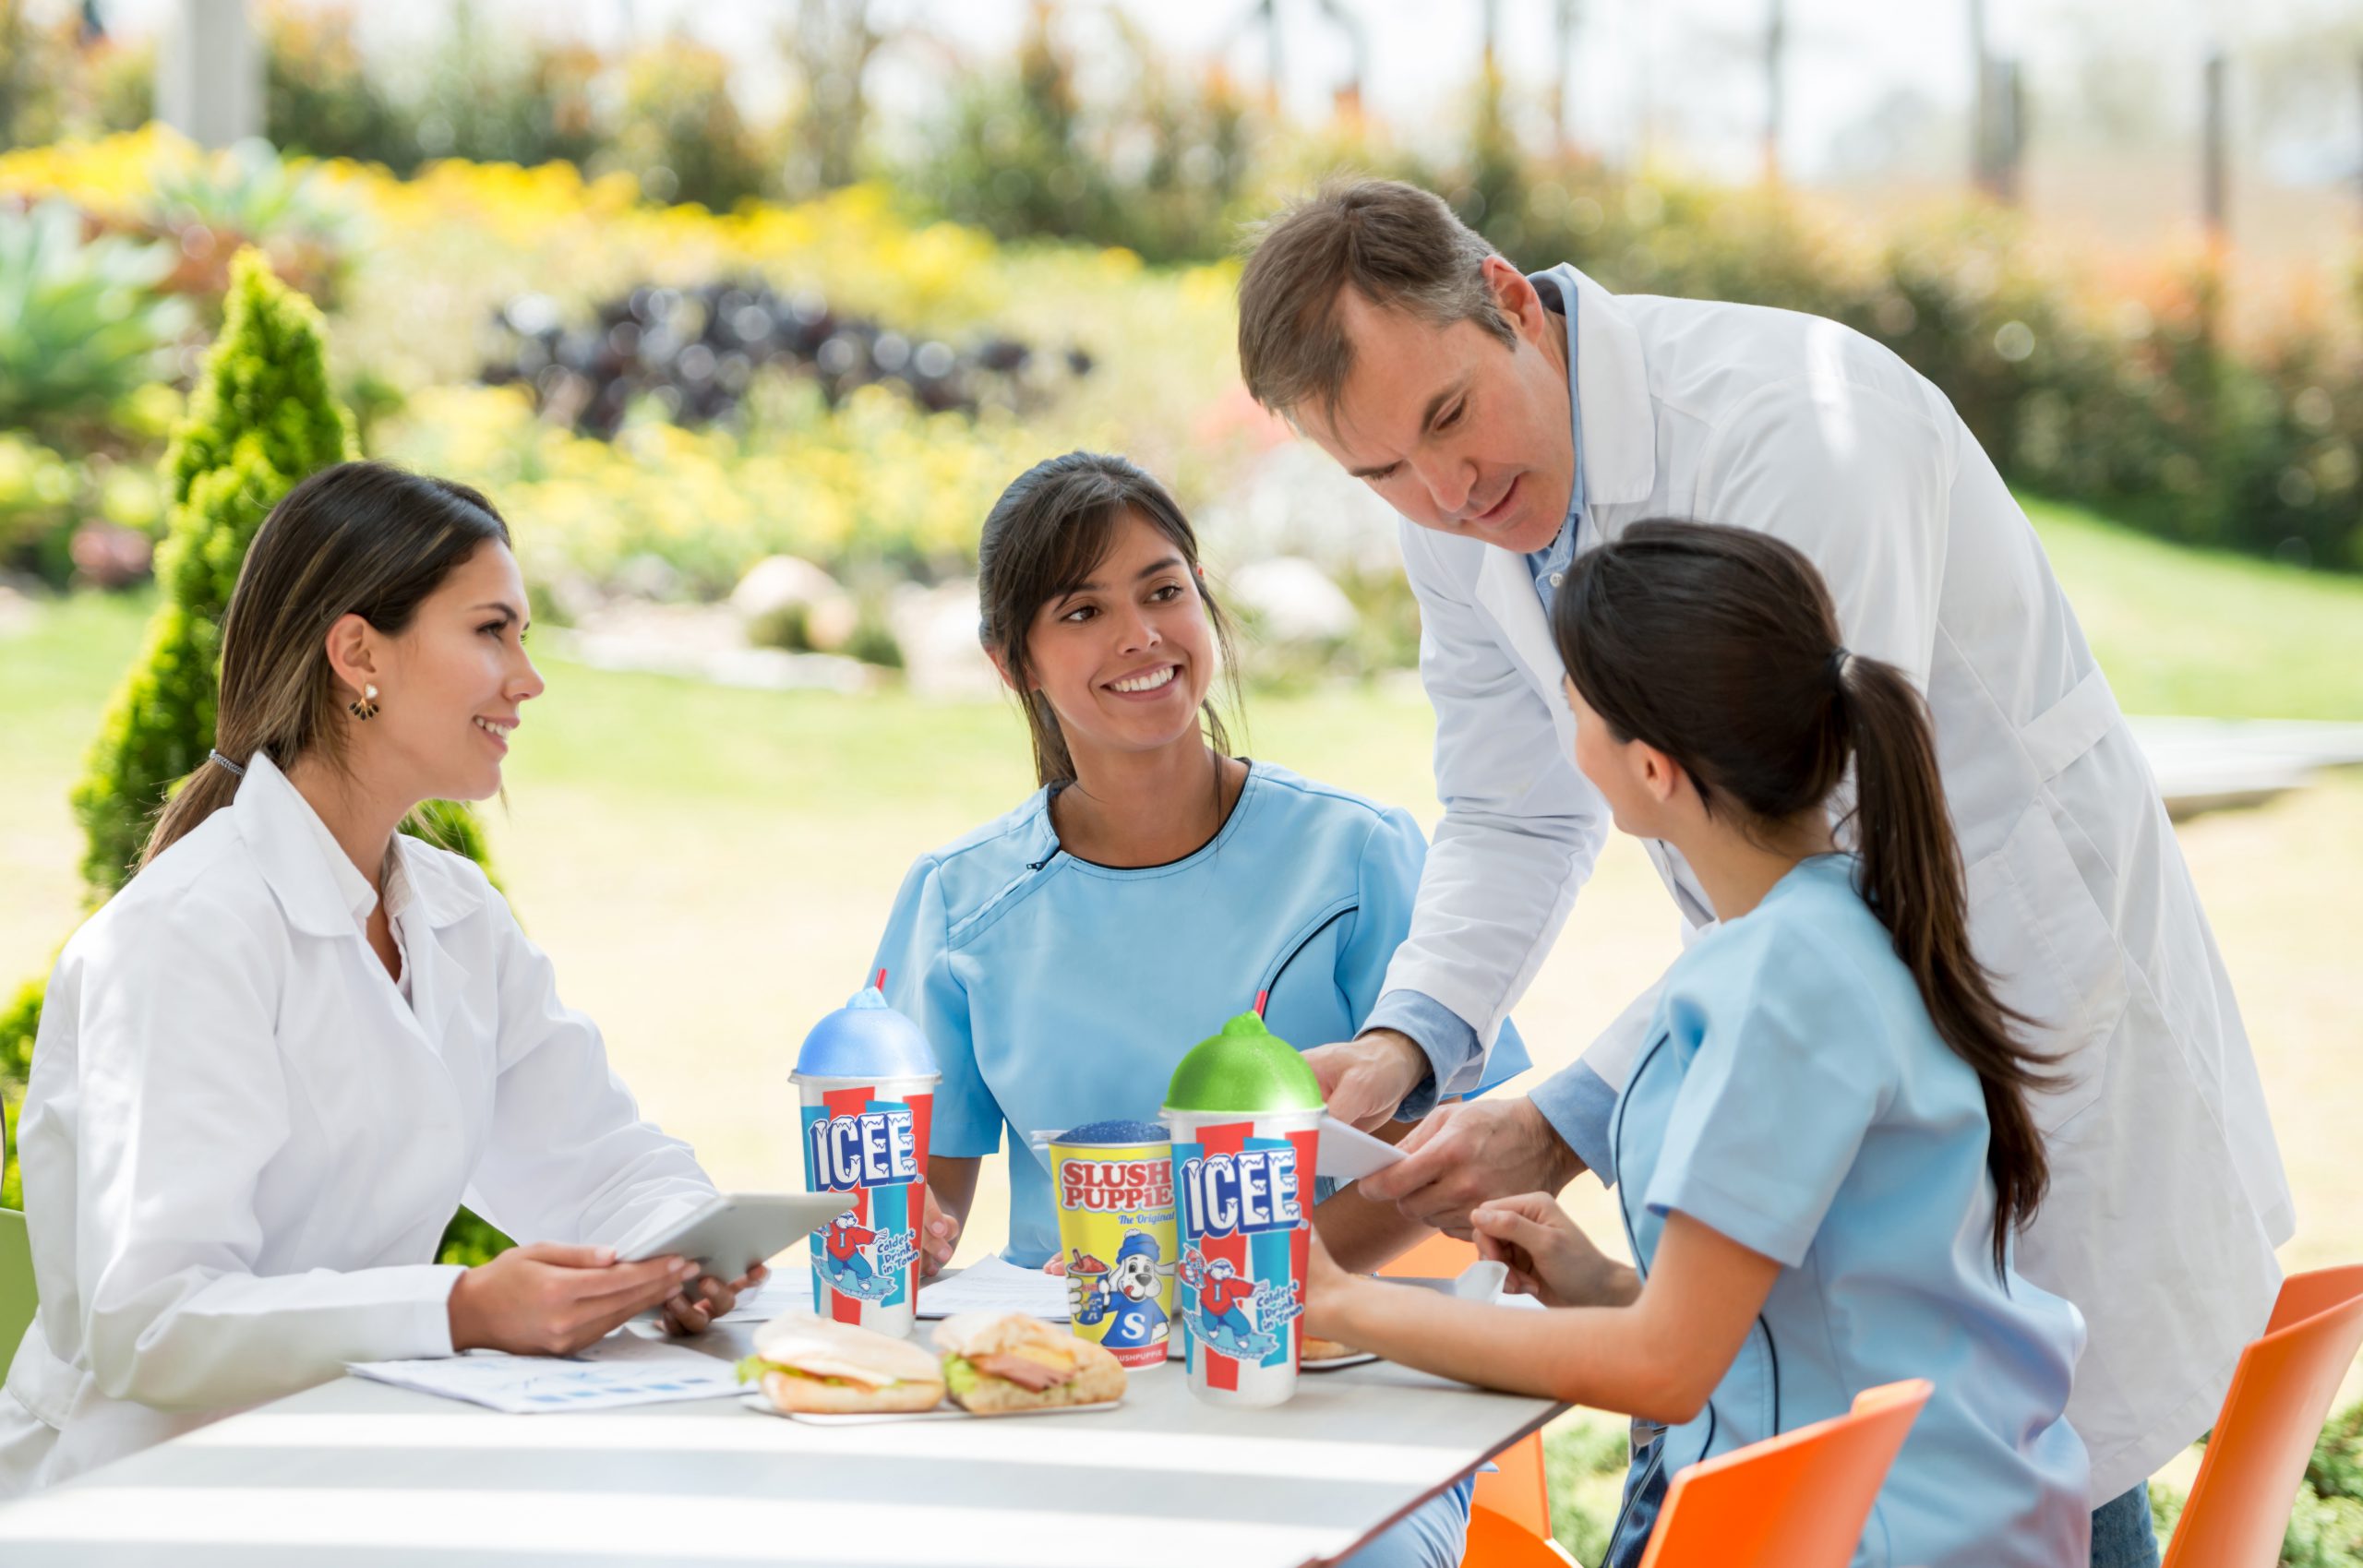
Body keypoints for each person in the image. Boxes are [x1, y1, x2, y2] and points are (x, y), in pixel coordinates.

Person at [1235, 177, 2288, 1564]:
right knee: (1960, 1403)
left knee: (2024, 1419)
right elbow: (1506, 805)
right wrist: (1406, 1041)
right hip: (1854, 1383)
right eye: (1381, 475)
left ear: (1503, 298)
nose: (1446, 493)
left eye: (1447, 419)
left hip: (2020, 1012)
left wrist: (1536, 1135)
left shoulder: (1795, 431)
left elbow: (1837, 851)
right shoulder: (1464, 513)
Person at [2, 462, 844, 1494]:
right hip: (140, 1501)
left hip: (351, 1461)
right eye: (492, 630)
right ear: (358, 653)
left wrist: (677, 1254)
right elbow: (153, 1324)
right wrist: (458, 1307)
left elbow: (596, 1160)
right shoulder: (185, 935)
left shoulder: (451, 912)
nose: (527, 678)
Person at [1306, 520, 2091, 1567]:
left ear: (1650, 768)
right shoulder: (1849, 922)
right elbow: (1820, 1317)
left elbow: (1666, 1371)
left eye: (1572, 703)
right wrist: (1603, 1290)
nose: (1564, 730)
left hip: (1858, 1535)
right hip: (1946, 1514)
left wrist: (1338, 1300)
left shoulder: (1776, 980)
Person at [871, 451, 1528, 1568]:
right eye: (1084, 609)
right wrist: (905, 1244)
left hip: (1337, 1373)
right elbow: (915, 1213)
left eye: (1162, 589)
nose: (1139, 634)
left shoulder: (1357, 854)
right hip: (1077, 1388)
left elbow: (1453, 1160)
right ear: (1010, 660)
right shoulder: (959, 900)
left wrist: (1251, 1290)